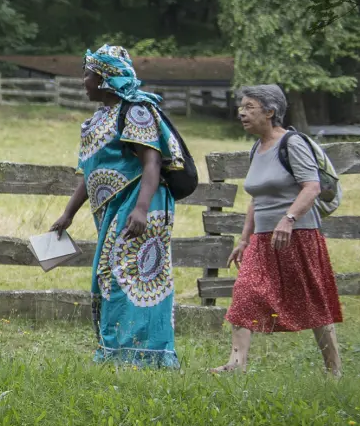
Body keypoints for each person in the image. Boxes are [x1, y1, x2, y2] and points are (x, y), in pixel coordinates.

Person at [49, 45, 188, 368]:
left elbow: (151, 162)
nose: (83, 81)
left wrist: (140, 210)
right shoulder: (100, 118)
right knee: (109, 275)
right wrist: (68, 214)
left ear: (106, 78)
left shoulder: (136, 110)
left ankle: (147, 355)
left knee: (133, 276)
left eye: (88, 74)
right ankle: (118, 352)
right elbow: (91, 172)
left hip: (142, 202)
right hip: (114, 208)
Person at [213, 85, 343, 376]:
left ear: (270, 112)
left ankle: (334, 370)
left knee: (313, 302)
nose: (242, 113)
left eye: (250, 107)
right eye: (241, 107)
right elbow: (256, 199)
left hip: (299, 235)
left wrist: (289, 219)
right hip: (262, 239)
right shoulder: (256, 149)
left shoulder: (292, 144)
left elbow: (312, 187)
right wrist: (244, 239)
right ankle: (237, 364)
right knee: (244, 293)